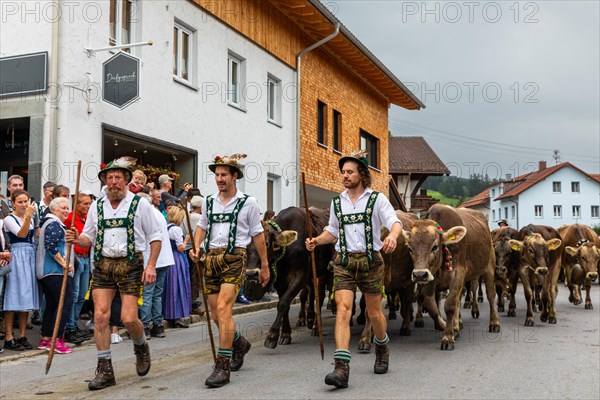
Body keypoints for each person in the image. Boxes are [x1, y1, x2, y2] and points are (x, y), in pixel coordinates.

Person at [305, 150, 401, 389]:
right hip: (344, 263)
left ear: (362, 174)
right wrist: (317, 240)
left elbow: (394, 222)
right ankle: (341, 367)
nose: (345, 176)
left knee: (375, 313)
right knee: (343, 310)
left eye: (350, 172)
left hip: (371, 262)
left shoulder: (377, 199)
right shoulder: (337, 202)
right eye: (343, 172)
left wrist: (393, 237)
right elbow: (333, 232)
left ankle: (382, 345)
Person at [66, 157, 162, 391]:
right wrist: (76, 239)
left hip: (131, 264)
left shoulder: (140, 204)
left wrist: (151, 266)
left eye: (118, 177)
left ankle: (140, 345)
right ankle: (105, 368)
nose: (114, 182)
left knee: (129, 318)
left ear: (127, 180)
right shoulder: (97, 206)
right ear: (105, 181)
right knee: (100, 317)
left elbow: (156, 237)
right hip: (103, 264)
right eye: (110, 178)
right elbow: (88, 237)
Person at [190, 153, 269, 388]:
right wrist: (196, 247)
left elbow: (258, 234)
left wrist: (264, 265)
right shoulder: (209, 202)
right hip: (211, 259)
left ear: (235, 176)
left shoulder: (248, 202)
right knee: (216, 315)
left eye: (224, 174)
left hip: (235, 258)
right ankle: (240, 343)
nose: (220, 178)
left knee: (224, 308)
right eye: (217, 174)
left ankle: (222, 365)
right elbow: (202, 228)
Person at [36, 197, 75, 354]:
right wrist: (64, 263)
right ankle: (56, 340)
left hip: (47, 271)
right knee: (66, 302)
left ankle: (46, 338)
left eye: (67, 208)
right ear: (53, 209)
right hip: (54, 271)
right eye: (63, 208)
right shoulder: (54, 224)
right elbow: (51, 247)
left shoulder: (49, 223)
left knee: (52, 304)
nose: (66, 211)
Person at [2, 190, 39, 351]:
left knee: (26, 297)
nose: (24, 205)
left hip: (29, 255)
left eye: (26, 201)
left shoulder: (28, 218)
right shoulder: (10, 219)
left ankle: (22, 335)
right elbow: (22, 234)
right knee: (13, 295)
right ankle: (9, 337)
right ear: (13, 203)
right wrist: (29, 216)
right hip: (17, 256)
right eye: (20, 202)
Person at [137, 192, 174, 339]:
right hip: (163, 258)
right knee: (156, 293)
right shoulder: (158, 213)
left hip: (150, 259)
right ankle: (158, 325)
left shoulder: (144, 214)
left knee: (147, 293)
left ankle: (146, 326)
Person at [64, 192, 94, 344]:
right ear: (77, 205)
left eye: (89, 203)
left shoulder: (88, 218)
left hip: (86, 258)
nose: (88, 206)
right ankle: (69, 327)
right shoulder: (70, 218)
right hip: (75, 258)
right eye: (84, 204)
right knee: (74, 294)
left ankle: (74, 324)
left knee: (82, 294)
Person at [164, 206, 192, 328]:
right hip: (177, 258)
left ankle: (168, 313)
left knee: (169, 286)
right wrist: (186, 240)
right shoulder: (176, 229)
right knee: (178, 285)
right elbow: (180, 247)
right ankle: (177, 315)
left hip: (168, 257)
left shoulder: (166, 227)